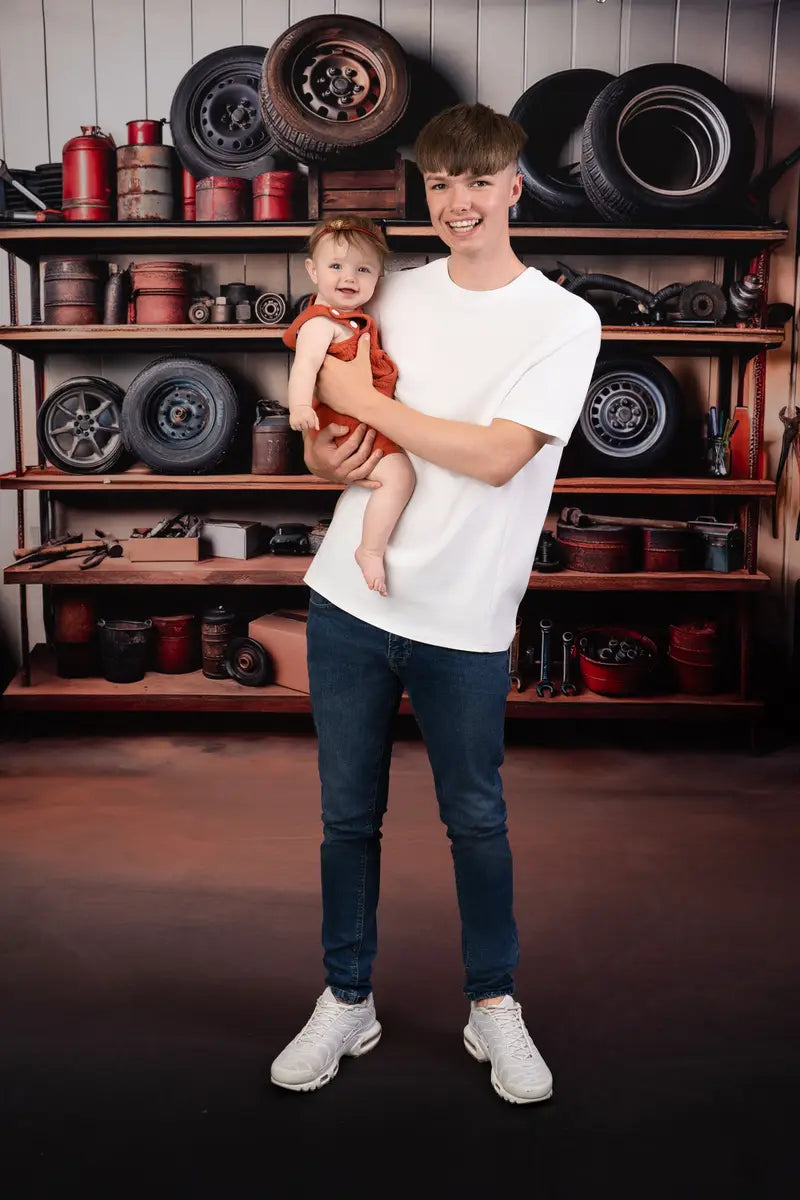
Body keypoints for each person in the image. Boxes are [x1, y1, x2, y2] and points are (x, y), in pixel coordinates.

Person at [270, 103, 601, 1104]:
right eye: (440, 184)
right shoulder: (390, 296)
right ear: (428, 193)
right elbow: (326, 436)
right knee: (345, 820)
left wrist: (367, 408)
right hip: (350, 599)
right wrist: (327, 442)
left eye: (478, 180)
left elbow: (497, 457)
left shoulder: (560, 320)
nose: (458, 202)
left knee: (475, 822)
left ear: (514, 185)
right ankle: (346, 998)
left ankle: (492, 1007)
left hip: (462, 616)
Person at [283, 216, 415, 596]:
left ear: (378, 278)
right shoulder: (320, 323)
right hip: (343, 424)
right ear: (312, 270)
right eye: (336, 266)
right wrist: (298, 407)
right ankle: (369, 550)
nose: (349, 277)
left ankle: (366, 539)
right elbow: (304, 366)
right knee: (400, 475)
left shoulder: (354, 322)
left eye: (363, 269)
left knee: (382, 480)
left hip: (361, 420)